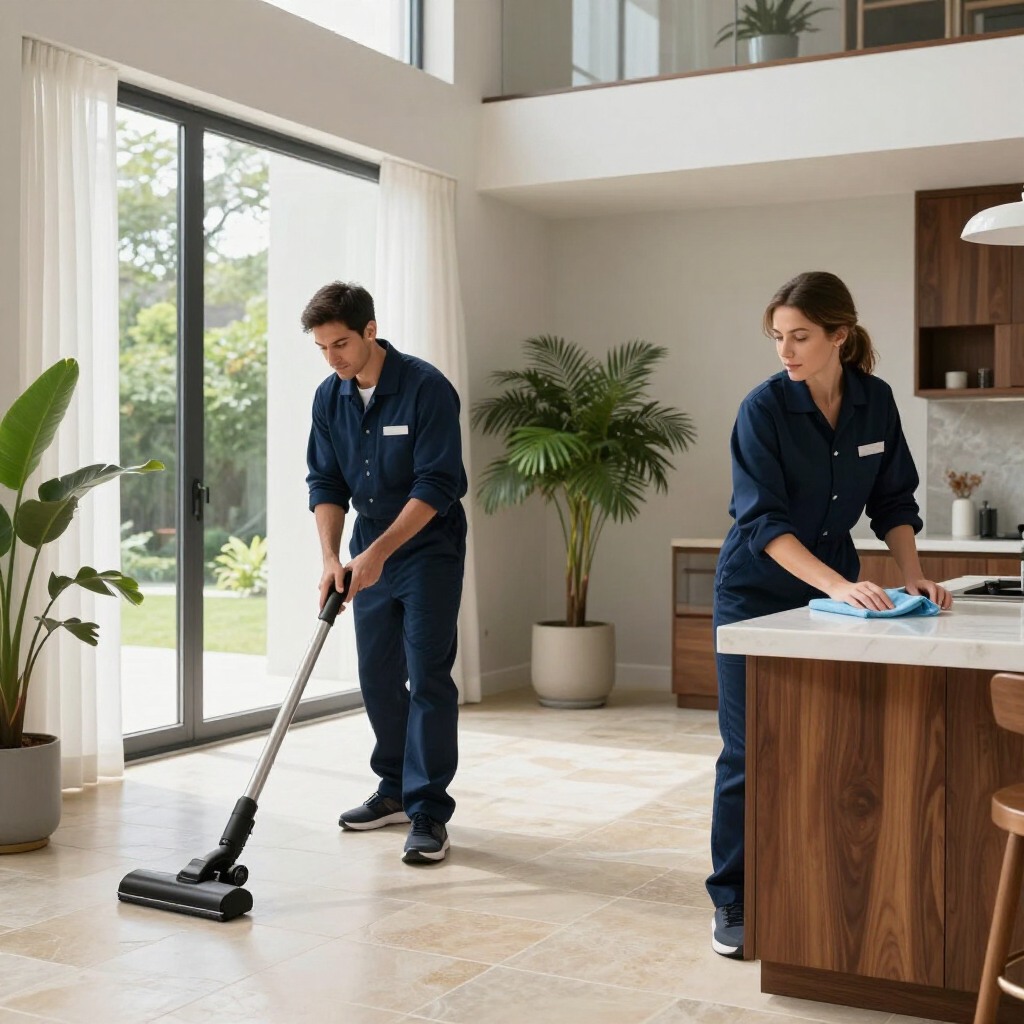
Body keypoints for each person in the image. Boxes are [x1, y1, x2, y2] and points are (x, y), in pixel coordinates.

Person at [708, 271, 952, 957]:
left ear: (839, 336)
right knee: (749, 748)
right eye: (778, 337)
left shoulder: (875, 402)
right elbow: (763, 521)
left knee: (829, 742)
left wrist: (913, 575)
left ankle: (809, 876)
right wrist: (837, 587)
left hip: (831, 591)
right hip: (757, 591)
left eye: (800, 337)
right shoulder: (762, 410)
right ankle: (732, 896)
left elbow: (893, 501)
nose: (785, 351)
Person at [303, 281, 467, 865]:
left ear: (370, 331)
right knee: (375, 673)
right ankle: (394, 788)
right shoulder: (330, 397)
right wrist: (332, 558)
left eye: (341, 344)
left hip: (427, 548)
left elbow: (438, 483)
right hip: (365, 546)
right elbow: (326, 482)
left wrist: (377, 555)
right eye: (322, 348)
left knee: (427, 676)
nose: (333, 358)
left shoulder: (426, 388)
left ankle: (428, 811)